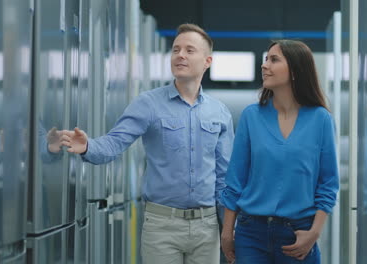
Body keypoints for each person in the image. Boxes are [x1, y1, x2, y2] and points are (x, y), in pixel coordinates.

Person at [59, 23, 234, 264]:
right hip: (162, 226)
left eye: (189, 50)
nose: (180, 55)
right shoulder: (148, 103)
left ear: (207, 61)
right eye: (176, 50)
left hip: (207, 227)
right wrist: (89, 146)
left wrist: (228, 228)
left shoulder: (220, 112)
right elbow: (114, 143)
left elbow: (224, 176)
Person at [219, 40, 339, 264]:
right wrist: (227, 232)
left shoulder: (321, 119)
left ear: (295, 70)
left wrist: (314, 232)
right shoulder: (251, 116)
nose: (265, 65)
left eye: (274, 60)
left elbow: (328, 183)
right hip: (250, 234)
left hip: (298, 234)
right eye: (266, 59)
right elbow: (235, 180)